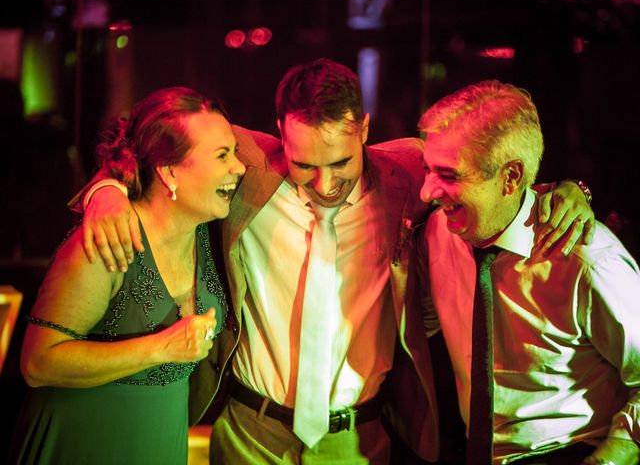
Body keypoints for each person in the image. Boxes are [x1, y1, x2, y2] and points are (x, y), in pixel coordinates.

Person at [76, 59, 593, 464]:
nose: (324, 184)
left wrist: (571, 191)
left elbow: (496, 179)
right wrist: (107, 189)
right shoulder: (246, 165)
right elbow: (145, 143)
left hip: (360, 442)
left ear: (364, 129)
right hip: (251, 434)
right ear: (279, 130)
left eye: (340, 162)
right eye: (304, 164)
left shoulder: (408, 171)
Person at [8, 87, 245, 464]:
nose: (239, 167)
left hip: (160, 438)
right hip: (87, 440)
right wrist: (161, 348)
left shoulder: (208, 229)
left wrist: (104, 185)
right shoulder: (108, 238)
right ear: (169, 171)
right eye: (222, 156)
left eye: (234, 152)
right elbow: (37, 363)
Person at [418, 80, 640, 465]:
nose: (426, 191)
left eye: (449, 176)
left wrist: (614, 455)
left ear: (511, 177)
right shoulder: (440, 230)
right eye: (427, 169)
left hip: (568, 452)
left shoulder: (587, 260)